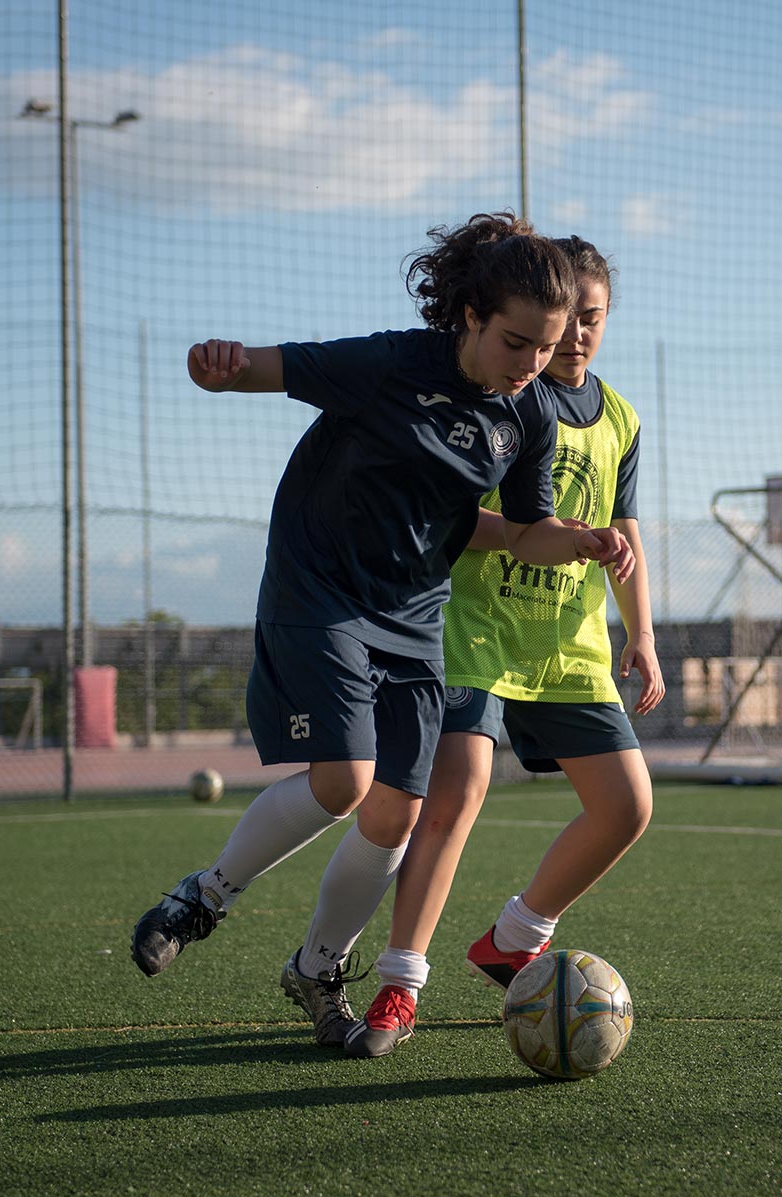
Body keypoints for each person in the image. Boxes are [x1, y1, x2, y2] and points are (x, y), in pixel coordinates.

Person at [129, 214, 636, 1052]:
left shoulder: (529, 414)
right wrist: (217, 368)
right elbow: (258, 368)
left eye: (544, 350)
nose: (530, 365)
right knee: (344, 781)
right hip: (320, 588)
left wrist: (581, 541)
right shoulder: (389, 363)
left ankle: (316, 969)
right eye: (515, 343)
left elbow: (523, 528)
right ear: (470, 315)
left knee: (394, 816)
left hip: (413, 612)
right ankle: (202, 897)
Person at [335, 235, 664, 1058]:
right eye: (566, 324)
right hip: (472, 629)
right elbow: (465, 518)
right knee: (454, 797)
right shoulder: (497, 398)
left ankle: (513, 938)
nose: (577, 337)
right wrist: (536, 536)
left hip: (568, 643)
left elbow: (626, 532)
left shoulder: (619, 416)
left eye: (593, 320)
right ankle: (398, 982)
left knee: (627, 805)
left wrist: (642, 635)